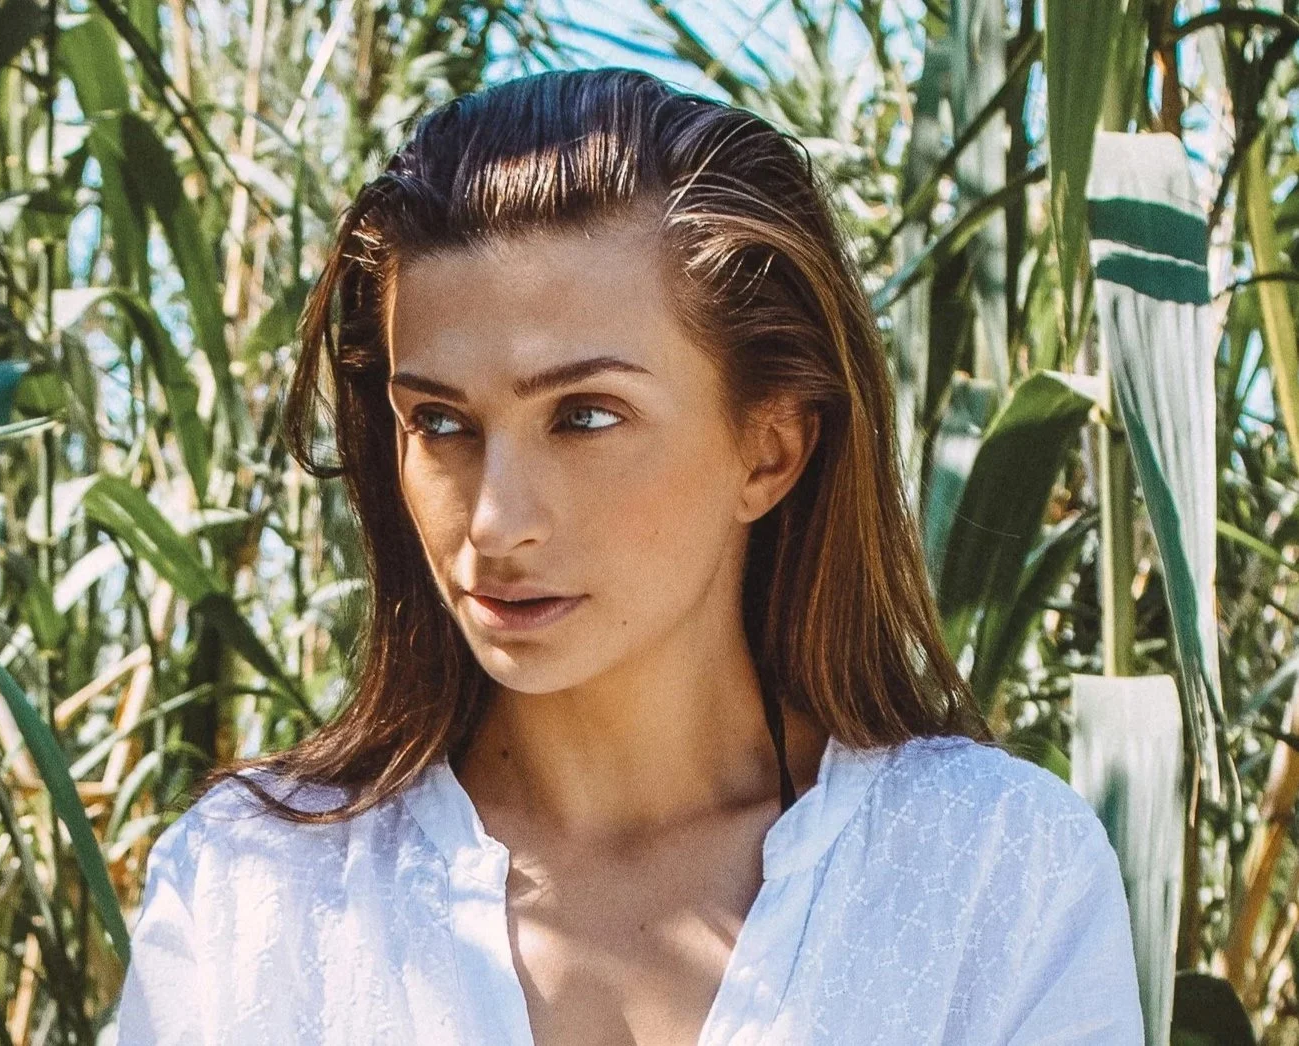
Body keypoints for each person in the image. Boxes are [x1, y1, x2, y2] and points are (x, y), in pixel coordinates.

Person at [114, 67, 1144, 1045]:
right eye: (438, 421)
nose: (493, 522)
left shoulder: (992, 872)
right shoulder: (257, 892)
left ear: (770, 446)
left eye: (585, 415)